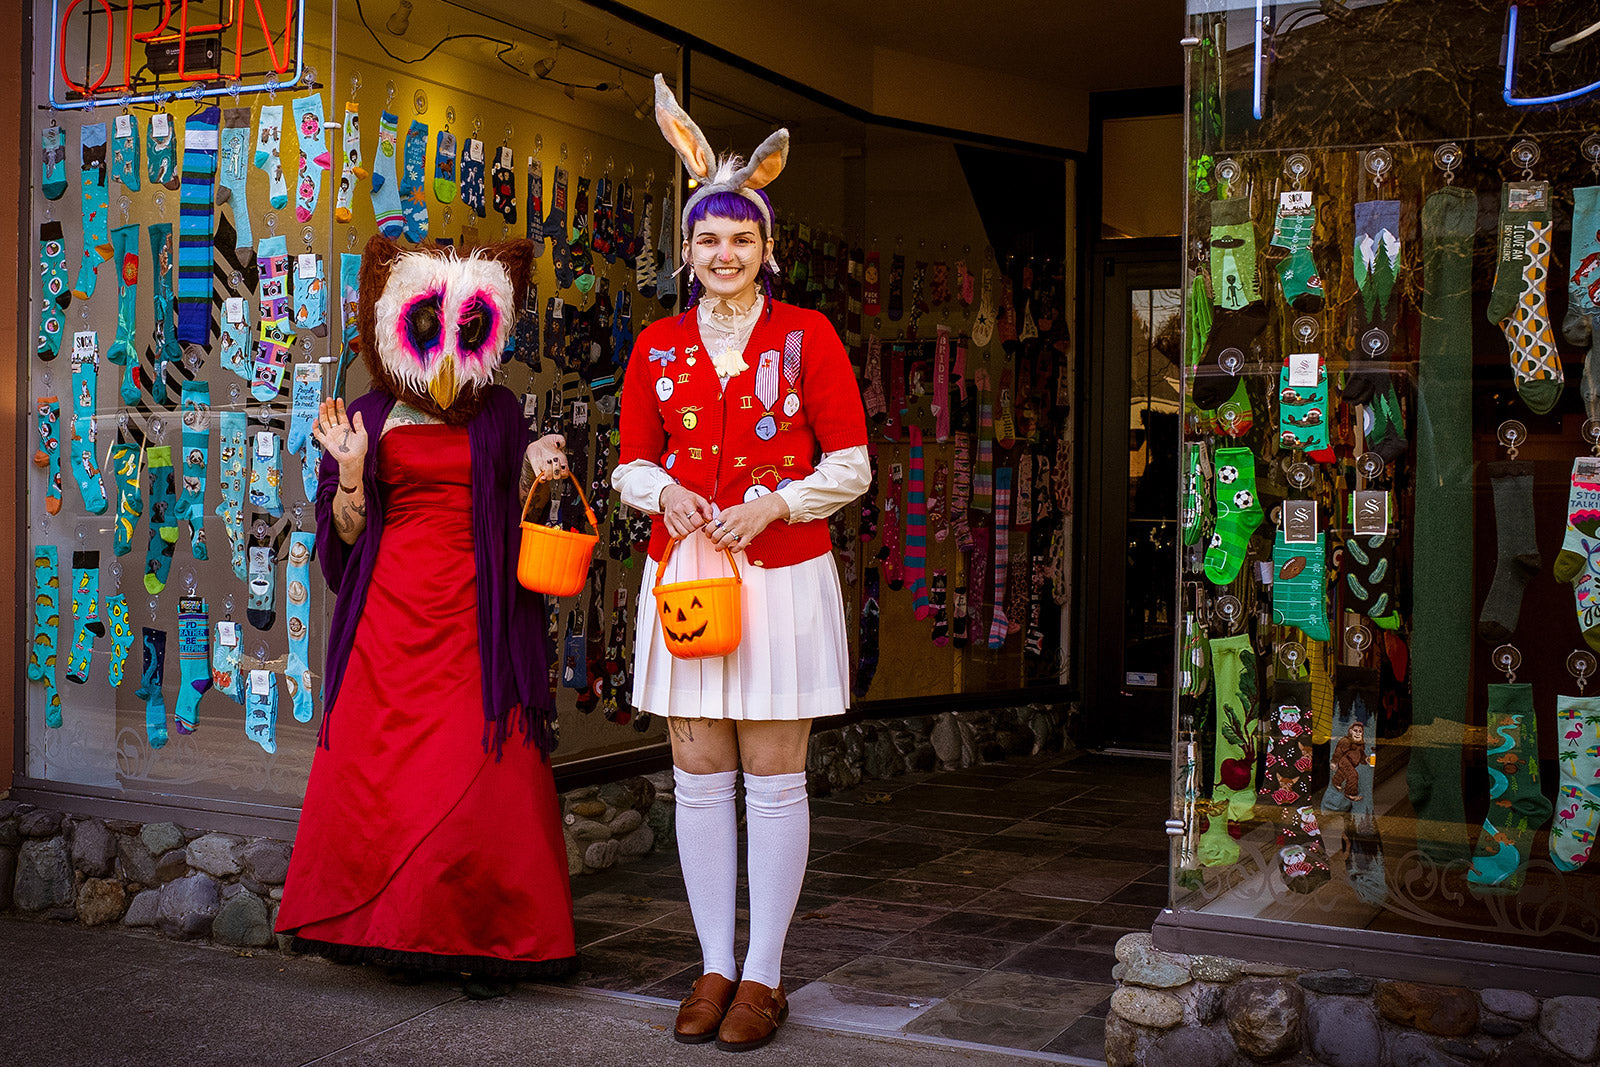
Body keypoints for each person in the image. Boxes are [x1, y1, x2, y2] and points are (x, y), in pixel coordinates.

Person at [611, 76, 870, 1051]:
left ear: (766, 249)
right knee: (696, 768)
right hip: (685, 574)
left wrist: (776, 500)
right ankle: (711, 961)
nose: (725, 255)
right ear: (686, 252)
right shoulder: (655, 347)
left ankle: (763, 973)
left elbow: (851, 463)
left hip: (782, 571)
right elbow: (631, 459)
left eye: (742, 239)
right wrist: (663, 491)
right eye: (708, 240)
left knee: (772, 771)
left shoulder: (809, 338)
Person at [275, 236, 576, 994]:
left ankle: (486, 937)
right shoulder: (365, 415)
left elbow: (515, 503)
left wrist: (540, 464)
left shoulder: (502, 410)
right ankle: (399, 928)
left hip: (481, 616)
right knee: (389, 776)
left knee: (482, 780)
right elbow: (342, 541)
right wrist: (349, 473)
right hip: (392, 617)